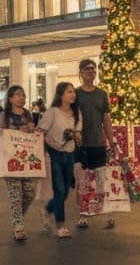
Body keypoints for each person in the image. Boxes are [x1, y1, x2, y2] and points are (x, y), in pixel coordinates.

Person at [74, 58, 117, 229]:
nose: (90, 71)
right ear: (81, 72)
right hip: (80, 144)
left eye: (93, 69)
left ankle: (108, 214)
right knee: (83, 182)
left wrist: (111, 139)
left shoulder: (102, 94)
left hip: (98, 143)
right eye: (86, 69)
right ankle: (83, 215)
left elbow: (106, 118)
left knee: (101, 180)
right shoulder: (75, 94)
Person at [38, 81, 82, 239]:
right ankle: (61, 226)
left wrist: (76, 136)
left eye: (73, 92)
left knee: (64, 192)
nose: (73, 95)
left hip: (70, 153)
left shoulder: (76, 112)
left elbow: (79, 133)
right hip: (54, 154)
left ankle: (47, 209)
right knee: (60, 190)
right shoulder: (52, 112)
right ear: (61, 94)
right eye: (69, 92)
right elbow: (40, 131)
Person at [0, 85, 39, 241]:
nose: (22, 97)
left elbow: (33, 134)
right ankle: (18, 227)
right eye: (18, 95)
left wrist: (31, 129)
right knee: (15, 195)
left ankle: (17, 217)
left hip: (26, 160)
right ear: (10, 98)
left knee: (29, 193)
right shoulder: (3, 115)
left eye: (24, 95)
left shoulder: (28, 115)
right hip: (10, 161)